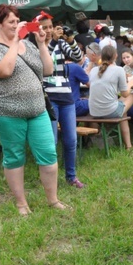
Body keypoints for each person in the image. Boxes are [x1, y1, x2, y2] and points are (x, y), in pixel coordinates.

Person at [0, 4, 68, 216]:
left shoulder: (29, 46)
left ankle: (53, 200)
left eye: (16, 20)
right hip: (6, 111)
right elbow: (5, 70)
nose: (15, 25)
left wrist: (40, 44)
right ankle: (21, 204)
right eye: (10, 22)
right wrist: (15, 41)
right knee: (14, 156)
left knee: (48, 153)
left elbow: (47, 70)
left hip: (37, 110)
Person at [40, 17, 86, 188]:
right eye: (44, 27)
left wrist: (71, 40)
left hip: (66, 96)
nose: (49, 30)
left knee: (71, 139)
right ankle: (51, 177)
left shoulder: (60, 44)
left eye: (51, 27)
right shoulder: (37, 45)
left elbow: (79, 57)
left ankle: (71, 176)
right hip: (49, 97)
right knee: (51, 141)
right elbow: (42, 63)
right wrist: (52, 41)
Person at [88, 45, 133, 150]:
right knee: (132, 95)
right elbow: (125, 94)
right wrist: (131, 83)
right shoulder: (118, 70)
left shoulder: (94, 70)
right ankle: (128, 146)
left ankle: (128, 145)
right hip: (110, 111)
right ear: (116, 56)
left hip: (94, 111)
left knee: (122, 110)